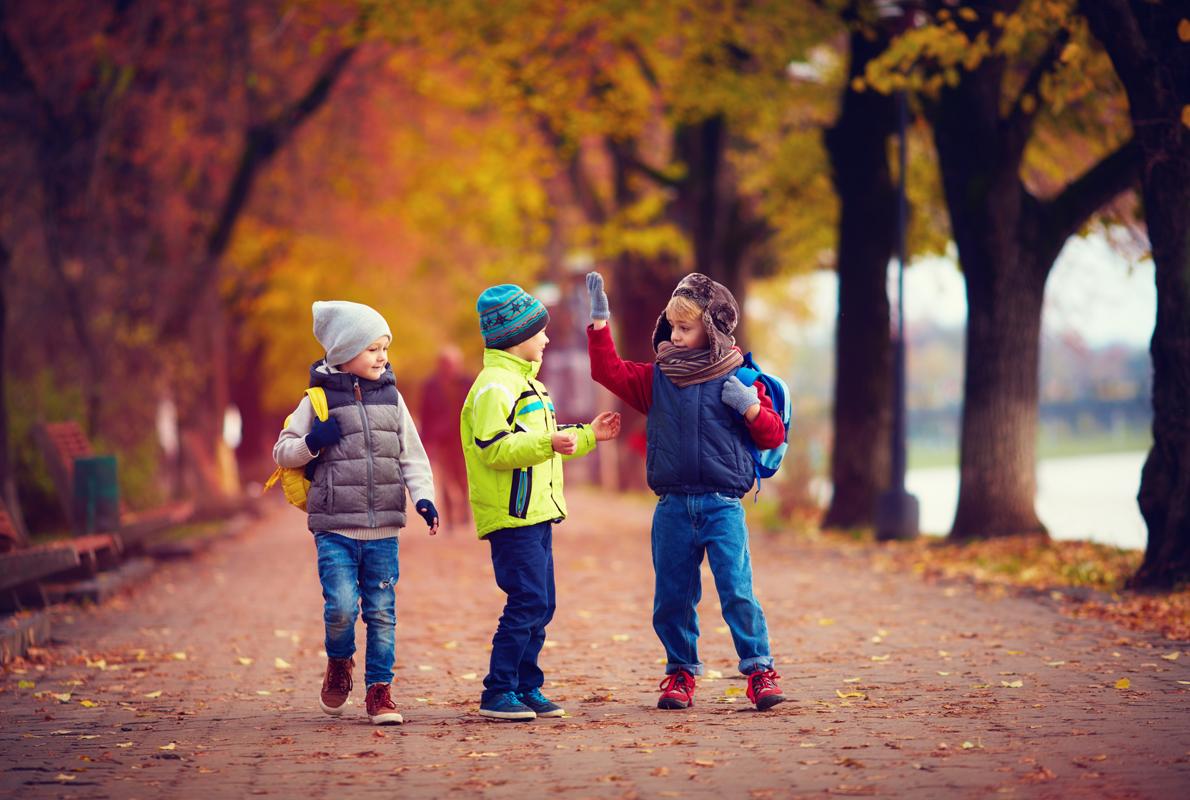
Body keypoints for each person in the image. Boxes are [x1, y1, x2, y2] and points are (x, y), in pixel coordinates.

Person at [584, 271, 788, 711]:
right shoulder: (658, 379)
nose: (674, 336)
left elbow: (772, 435)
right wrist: (600, 324)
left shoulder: (740, 379)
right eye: (671, 327)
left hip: (722, 506)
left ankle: (759, 670)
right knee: (673, 596)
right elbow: (607, 371)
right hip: (673, 506)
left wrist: (750, 407)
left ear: (711, 328)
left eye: (685, 328)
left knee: (737, 590)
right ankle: (680, 673)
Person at [273, 300, 439, 725]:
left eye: (385, 347)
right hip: (335, 527)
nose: (382, 357)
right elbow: (283, 451)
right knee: (342, 607)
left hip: (383, 526)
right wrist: (314, 442)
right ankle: (339, 661)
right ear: (342, 352)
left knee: (382, 611)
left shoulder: (392, 398)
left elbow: (412, 456)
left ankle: (379, 691)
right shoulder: (316, 400)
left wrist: (423, 497)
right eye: (372, 348)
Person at [461, 284, 621, 720]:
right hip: (511, 517)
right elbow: (494, 448)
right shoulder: (495, 386)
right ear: (517, 335)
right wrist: (548, 442)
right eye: (540, 332)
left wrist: (589, 434)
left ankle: (526, 685)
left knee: (543, 602)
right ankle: (498, 691)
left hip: (536, 512)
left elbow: (553, 443)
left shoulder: (529, 384)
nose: (547, 340)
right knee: (527, 600)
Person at [417, 345, 473, 532]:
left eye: (454, 363)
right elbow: (425, 415)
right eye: (446, 363)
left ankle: (465, 511)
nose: (450, 367)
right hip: (441, 440)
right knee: (446, 480)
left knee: (464, 478)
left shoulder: (468, 383)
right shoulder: (430, 386)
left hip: (463, 438)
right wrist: (426, 443)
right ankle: (449, 519)